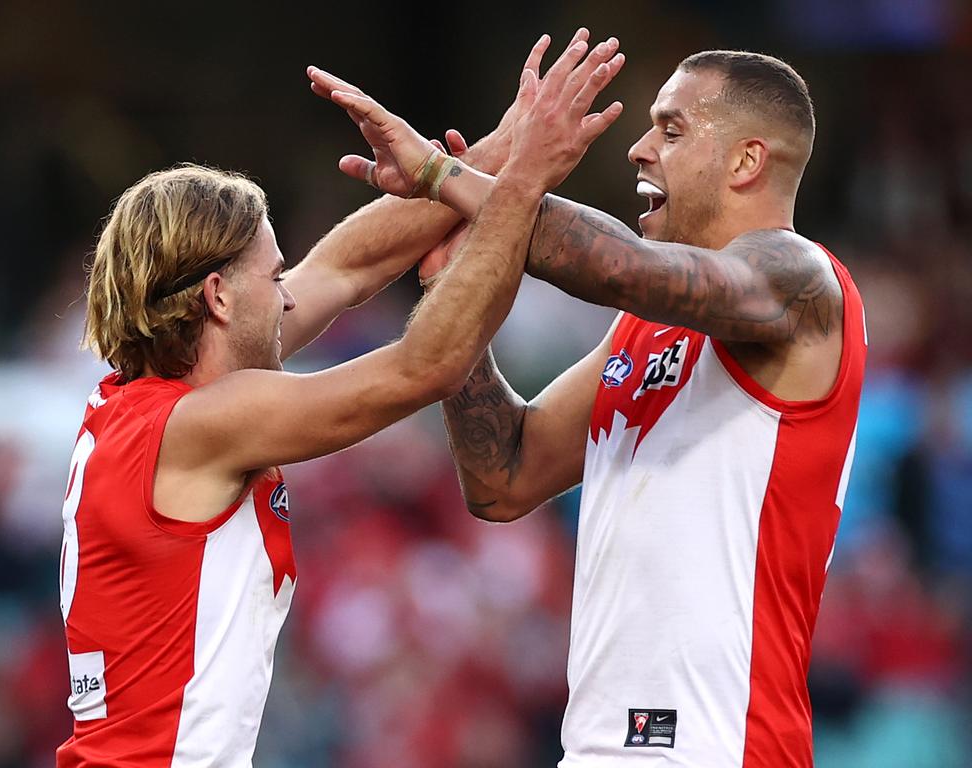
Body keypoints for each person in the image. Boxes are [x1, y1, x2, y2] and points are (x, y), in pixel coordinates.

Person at [56, 33, 624, 767]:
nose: (288, 289)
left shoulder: (150, 405)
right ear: (218, 297)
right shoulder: (202, 423)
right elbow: (426, 367)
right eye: (273, 275)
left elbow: (349, 265)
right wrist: (523, 187)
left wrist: (483, 155)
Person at [313, 48, 866, 767]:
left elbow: (623, 267)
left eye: (670, 130)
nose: (639, 150)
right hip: (599, 747)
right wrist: (454, 289)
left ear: (746, 162)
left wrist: (445, 177)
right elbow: (503, 478)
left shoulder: (805, 281)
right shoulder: (641, 329)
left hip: (722, 745)